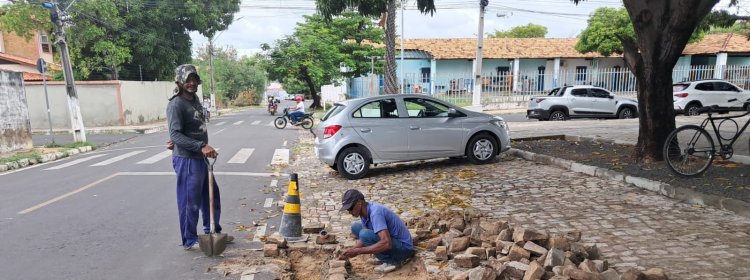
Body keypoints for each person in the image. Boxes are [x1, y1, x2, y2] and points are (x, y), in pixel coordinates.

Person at [166, 64, 232, 250]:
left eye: (194, 79)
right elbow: (176, 134)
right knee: (190, 202)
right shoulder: (176, 104)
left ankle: (212, 231)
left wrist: (199, 148)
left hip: (200, 159)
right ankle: (190, 240)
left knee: (211, 196)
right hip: (187, 159)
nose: (192, 83)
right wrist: (201, 146)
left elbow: (181, 133)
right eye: (188, 80)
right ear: (179, 81)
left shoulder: (194, 100)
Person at [338, 189, 414, 273]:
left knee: (364, 234)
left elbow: (386, 243)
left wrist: (359, 251)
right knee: (356, 227)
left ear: (359, 202)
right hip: (394, 242)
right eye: (348, 210)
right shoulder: (364, 212)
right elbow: (363, 240)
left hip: (404, 249)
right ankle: (383, 255)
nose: (350, 212)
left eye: (351, 208)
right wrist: (352, 251)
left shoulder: (375, 213)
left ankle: (390, 261)